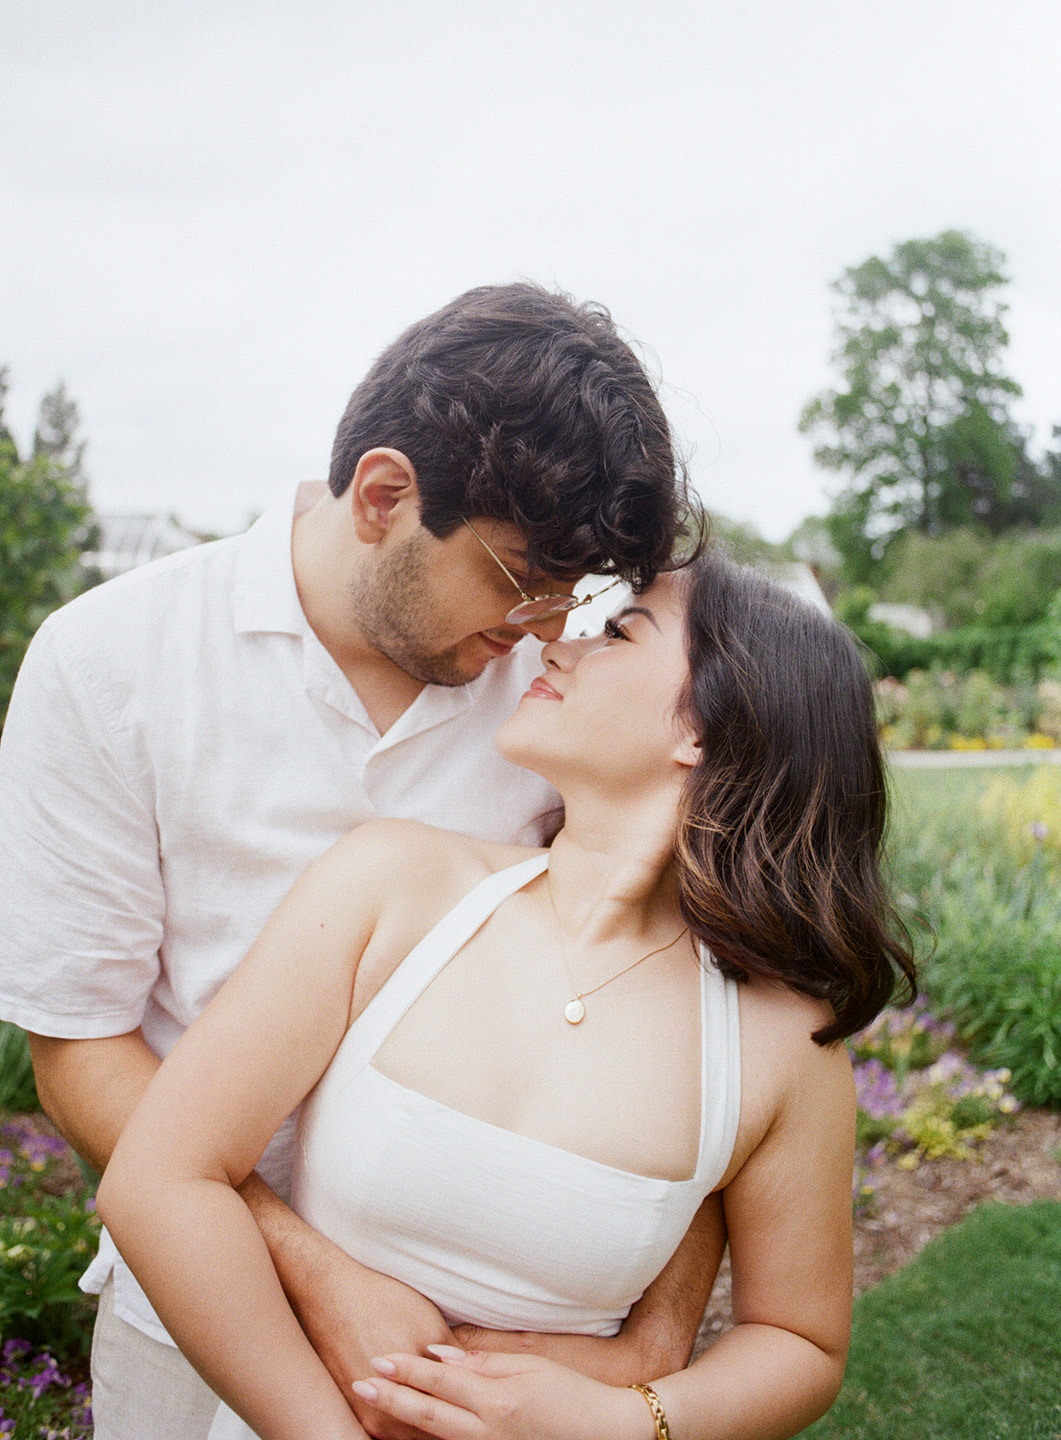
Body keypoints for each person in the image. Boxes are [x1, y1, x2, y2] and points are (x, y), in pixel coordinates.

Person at [0, 282, 707, 1440]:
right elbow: (80, 1050)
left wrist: (658, 1331)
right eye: (521, 579)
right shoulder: (108, 663)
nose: (540, 630)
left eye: (567, 598)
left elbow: (701, 1004)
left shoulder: (560, 704)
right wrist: (317, 1275)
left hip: (496, 1349)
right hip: (189, 1326)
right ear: (383, 495)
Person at [98, 552, 917, 1440]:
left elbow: (797, 1342)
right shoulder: (394, 886)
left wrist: (623, 1420)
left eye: (616, 632)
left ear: (706, 729)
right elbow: (157, 1180)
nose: (553, 649)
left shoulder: (781, 1050)